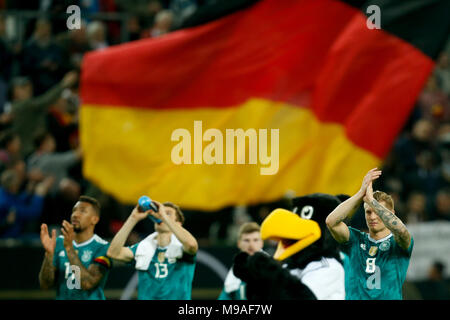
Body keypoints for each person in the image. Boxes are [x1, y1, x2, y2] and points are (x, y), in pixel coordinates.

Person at [325, 168, 414, 300]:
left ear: (392, 213)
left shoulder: (398, 243)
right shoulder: (355, 239)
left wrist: (372, 201)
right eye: (368, 212)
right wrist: (361, 194)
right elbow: (331, 222)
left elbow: (401, 230)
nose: (372, 217)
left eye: (377, 211)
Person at [107, 200, 198, 300]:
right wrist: (133, 218)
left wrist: (164, 216)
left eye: (168, 213)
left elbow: (191, 245)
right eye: (159, 213)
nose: (160, 215)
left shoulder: (182, 247)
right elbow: (113, 253)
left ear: (178, 224)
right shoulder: (143, 248)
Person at [38, 196, 112, 300]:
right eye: (74, 211)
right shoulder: (59, 243)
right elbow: (45, 285)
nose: (75, 215)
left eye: (82, 211)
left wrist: (69, 249)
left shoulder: (103, 247)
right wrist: (49, 255)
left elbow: (88, 283)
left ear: (94, 219)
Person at [218, 222, 264, 300]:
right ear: (239, 244)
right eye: (246, 240)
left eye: (255, 240)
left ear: (262, 243)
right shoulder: (233, 273)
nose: (251, 244)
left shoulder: (272, 269)